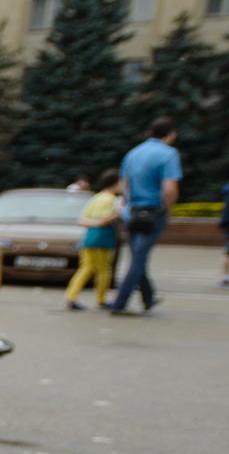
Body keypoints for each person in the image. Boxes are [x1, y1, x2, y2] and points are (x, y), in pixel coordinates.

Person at [106, 117, 182, 316]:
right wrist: (169, 209)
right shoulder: (169, 154)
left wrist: (127, 205)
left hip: (131, 212)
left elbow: (124, 185)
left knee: (137, 256)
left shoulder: (133, 153)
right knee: (139, 259)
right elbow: (169, 188)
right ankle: (119, 303)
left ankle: (148, 297)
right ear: (171, 134)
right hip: (152, 212)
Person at [64, 169, 122, 310]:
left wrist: (93, 224)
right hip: (104, 238)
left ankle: (70, 297)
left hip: (89, 237)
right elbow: (104, 220)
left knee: (86, 268)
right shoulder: (111, 200)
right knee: (104, 270)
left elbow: (82, 219)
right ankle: (101, 300)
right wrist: (118, 214)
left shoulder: (95, 198)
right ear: (116, 183)